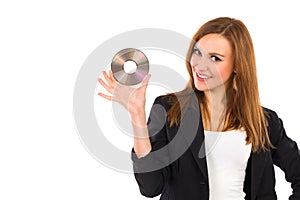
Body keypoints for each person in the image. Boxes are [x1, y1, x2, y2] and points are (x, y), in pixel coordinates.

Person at [98, 17, 300, 200]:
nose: (200, 65)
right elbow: (151, 188)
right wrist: (137, 118)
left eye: (215, 58)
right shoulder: (169, 110)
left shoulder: (265, 122)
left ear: (238, 65)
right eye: (198, 52)